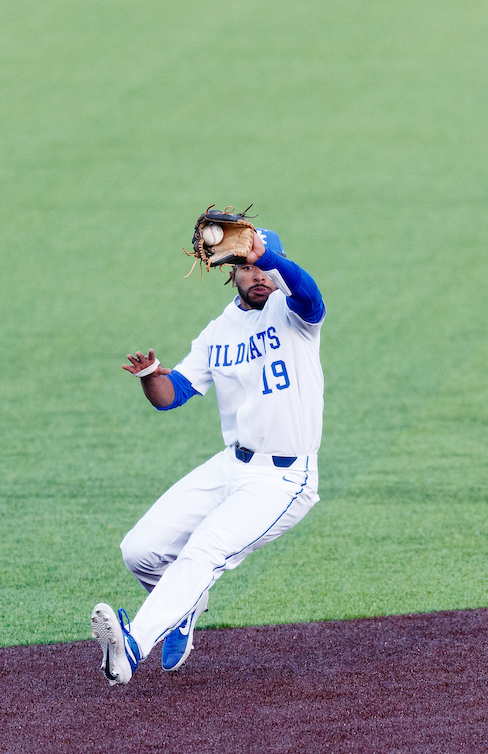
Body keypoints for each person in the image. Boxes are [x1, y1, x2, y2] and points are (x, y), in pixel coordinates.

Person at [90, 223, 325, 685]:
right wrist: (151, 375)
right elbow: (172, 394)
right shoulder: (221, 330)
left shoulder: (296, 314)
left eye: (265, 265)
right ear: (231, 271)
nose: (258, 275)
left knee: (203, 550)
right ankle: (183, 609)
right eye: (247, 266)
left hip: (283, 479)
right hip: (231, 465)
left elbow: (309, 292)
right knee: (140, 550)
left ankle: (132, 647)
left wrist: (272, 260)